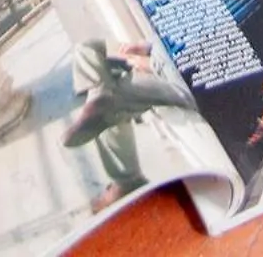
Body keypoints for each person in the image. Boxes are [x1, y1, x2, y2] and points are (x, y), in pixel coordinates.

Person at [61, 39, 196, 212]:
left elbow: (201, 51)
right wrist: (148, 47)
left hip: (181, 80)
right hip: (162, 60)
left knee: (108, 94)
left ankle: (127, 180)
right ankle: (99, 96)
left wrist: (152, 64)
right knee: (87, 49)